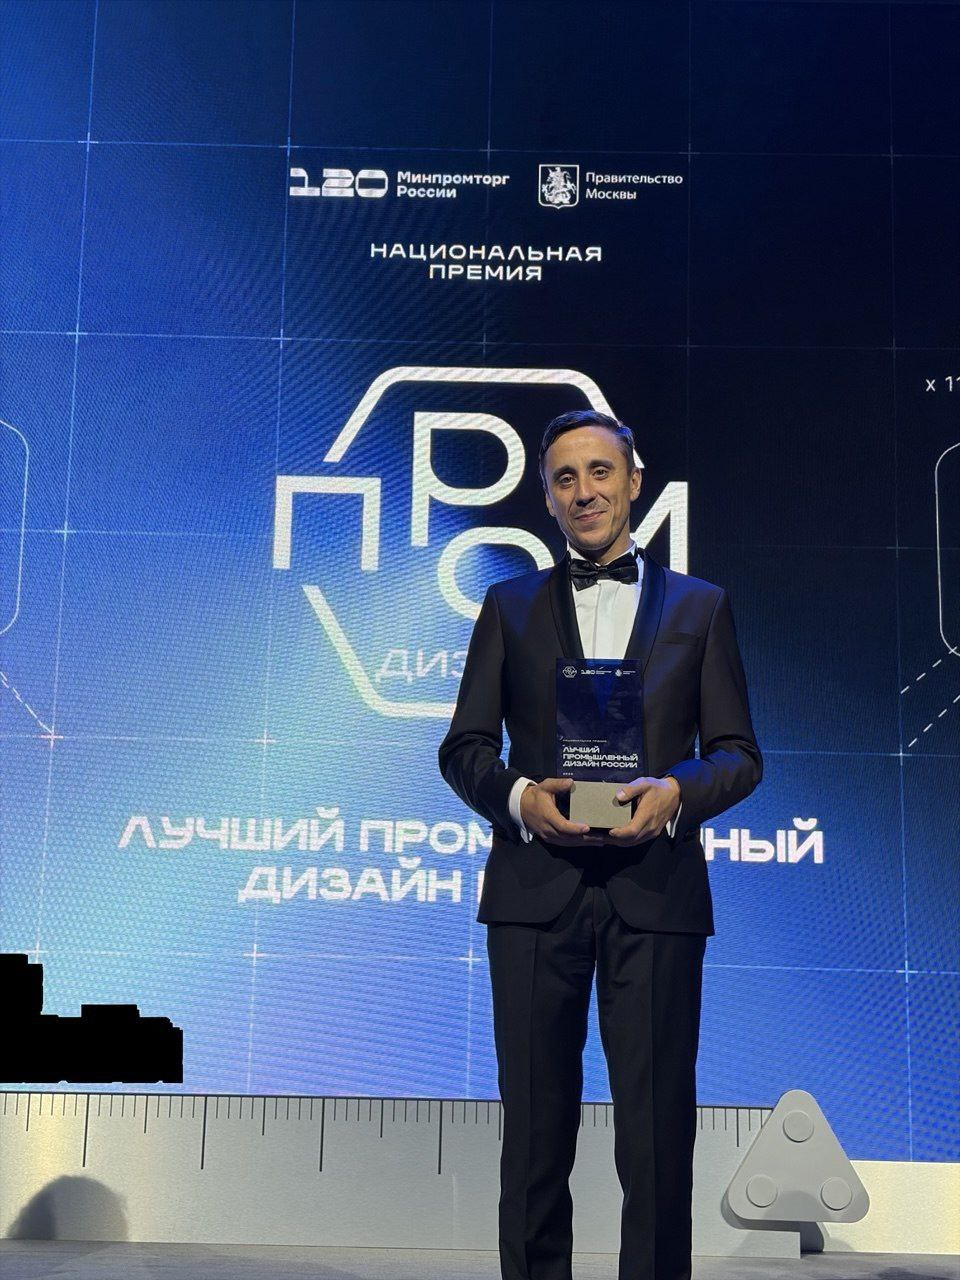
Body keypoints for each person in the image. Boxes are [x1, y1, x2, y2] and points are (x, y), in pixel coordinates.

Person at [438, 409, 762, 1280]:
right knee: (533, 1136)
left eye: (599, 472)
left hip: (655, 894)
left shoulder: (701, 606)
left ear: (634, 482)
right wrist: (520, 798)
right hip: (533, 894)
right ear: (546, 498)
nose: (584, 492)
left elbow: (738, 755)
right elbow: (464, 748)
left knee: (656, 1136)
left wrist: (677, 794)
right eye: (565, 478)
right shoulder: (507, 606)